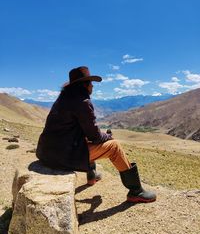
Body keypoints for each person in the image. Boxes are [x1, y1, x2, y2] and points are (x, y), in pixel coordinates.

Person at [36, 66, 156, 203]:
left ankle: (91, 176)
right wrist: (109, 137)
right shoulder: (82, 102)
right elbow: (96, 137)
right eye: (90, 83)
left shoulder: (63, 99)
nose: (92, 86)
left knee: (84, 138)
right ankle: (136, 191)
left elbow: (83, 132)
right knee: (114, 146)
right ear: (84, 85)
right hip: (62, 156)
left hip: (46, 153)